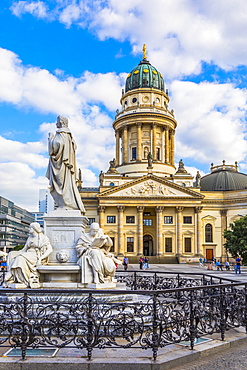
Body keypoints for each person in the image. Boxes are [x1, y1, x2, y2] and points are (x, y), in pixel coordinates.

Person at [46, 115, 85, 214]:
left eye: (57, 121)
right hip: (63, 164)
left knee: (63, 184)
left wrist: (50, 139)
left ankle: (65, 204)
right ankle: (65, 204)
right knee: (65, 185)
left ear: (61, 122)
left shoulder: (62, 134)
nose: (56, 124)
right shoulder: (68, 135)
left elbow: (56, 147)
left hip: (62, 165)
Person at [5, 222, 52, 288]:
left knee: (20, 258)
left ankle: (23, 280)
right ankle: (13, 275)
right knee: (12, 254)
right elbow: (24, 249)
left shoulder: (43, 238)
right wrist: (14, 253)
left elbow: (50, 249)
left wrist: (41, 259)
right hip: (28, 254)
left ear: (34, 229)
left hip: (36, 255)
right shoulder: (30, 237)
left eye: (30, 228)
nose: (29, 229)